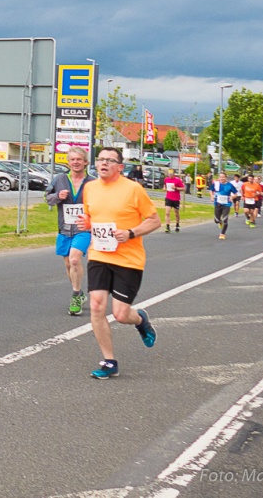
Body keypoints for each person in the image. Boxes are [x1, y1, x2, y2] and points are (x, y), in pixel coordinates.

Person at [77, 146, 162, 379]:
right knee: (96, 305)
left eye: (110, 160)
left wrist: (131, 233)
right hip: (99, 254)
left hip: (128, 258)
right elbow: (90, 217)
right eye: (100, 159)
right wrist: (86, 223)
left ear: (120, 167)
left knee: (121, 314)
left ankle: (141, 319)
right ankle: (109, 361)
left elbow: (154, 221)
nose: (103, 163)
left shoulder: (133, 189)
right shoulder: (90, 188)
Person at [45, 148, 94, 315]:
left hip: (83, 229)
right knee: (67, 263)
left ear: (85, 162)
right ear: (68, 162)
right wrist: (58, 195)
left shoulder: (92, 183)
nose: (75, 162)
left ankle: (75, 296)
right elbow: (48, 198)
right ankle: (78, 291)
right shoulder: (59, 179)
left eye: (79, 159)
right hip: (64, 228)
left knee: (74, 260)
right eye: (72, 159)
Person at [211, 173, 238, 240]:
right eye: (220, 177)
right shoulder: (216, 184)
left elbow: (236, 194)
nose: (222, 179)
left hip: (226, 204)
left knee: (225, 219)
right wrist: (212, 196)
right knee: (216, 220)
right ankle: (219, 222)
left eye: (223, 177)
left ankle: (222, 234)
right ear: (219, 178)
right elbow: (211, 190)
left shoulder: (230, 185)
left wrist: (232, 197)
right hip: (217, 203)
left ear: (226, 178)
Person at [162, 168, 186, 233]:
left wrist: (176, 188)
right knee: (167, 212)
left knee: (176, 213)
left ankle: (177, 225)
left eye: (171, 174)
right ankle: (167, 226)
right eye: (168, 174)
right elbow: (164, 186)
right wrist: (164, 188)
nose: (169, 175)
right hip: (168, 197)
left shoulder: (177, 180)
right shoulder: (166, 179)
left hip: (176, 199)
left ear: (173, 174)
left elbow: (183, 188)